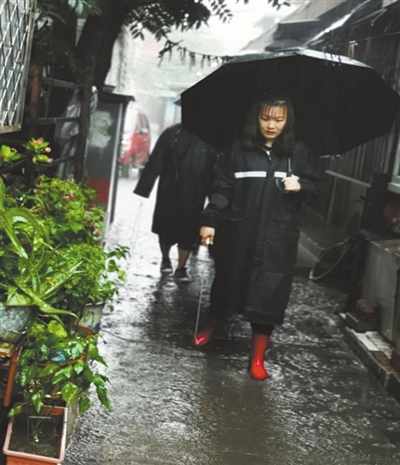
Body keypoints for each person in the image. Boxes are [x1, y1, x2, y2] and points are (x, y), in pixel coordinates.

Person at [193, 96, 318, 380]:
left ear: (288, 122)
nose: (271, 125)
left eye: (279, 119)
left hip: (278, 238)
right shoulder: (237, 150)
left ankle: (258, 357)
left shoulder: (299, 153)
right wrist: (210, 220)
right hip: (239, 232)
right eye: (266, 118)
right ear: (255, 118)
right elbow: (222, 188)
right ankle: (212, 325)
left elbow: (316, 191)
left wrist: (302, 186)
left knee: (269, 294)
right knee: (227, 282)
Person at [134, 123, 217, 282]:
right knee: (165, 228)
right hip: (169, 189)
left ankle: (181, 267)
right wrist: (145, 187)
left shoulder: (209, 138)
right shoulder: (172, 133)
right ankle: (165, 258)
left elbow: (213, 169)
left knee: (189, 231)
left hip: (195, 192)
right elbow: (156, 159)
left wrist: (213, 197)